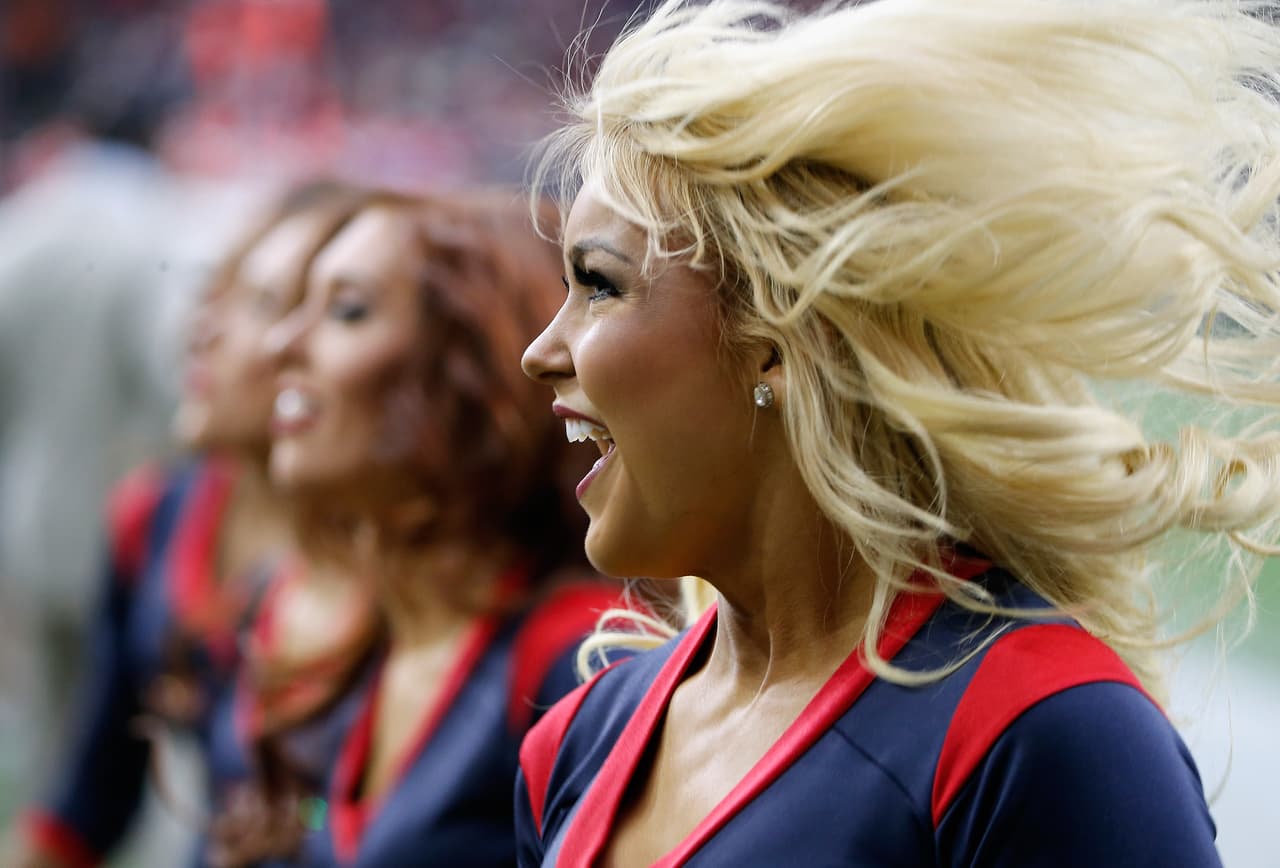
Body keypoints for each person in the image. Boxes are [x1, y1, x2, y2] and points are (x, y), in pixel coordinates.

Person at [515, 0, 1280, 865]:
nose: (541, 353)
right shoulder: (572, 749)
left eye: (600, 285)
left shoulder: (1040, 731)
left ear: (777, 340)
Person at [240, 191, 621, 865]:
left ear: (471, 371)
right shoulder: (371, 646)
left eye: (346, 309)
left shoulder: (581, 664)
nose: (280, 346)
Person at [4, 179, 378, 868]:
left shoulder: (392, 567)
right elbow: (90, 794)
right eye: (216, 292)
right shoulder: (157, 517)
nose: (201, 328)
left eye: (258, 304)